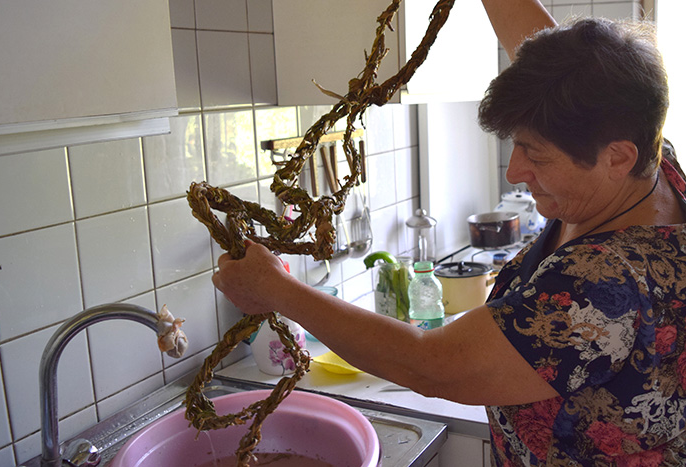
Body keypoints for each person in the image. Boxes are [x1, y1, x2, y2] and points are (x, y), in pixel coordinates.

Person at [213, 0, 686, 464]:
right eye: (516, 145)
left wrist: (277, 289)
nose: (515, 171)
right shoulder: (643, 155)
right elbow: (567, 71)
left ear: (616, 157)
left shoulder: (604, 286)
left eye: (537, 155)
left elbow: (430, 364)